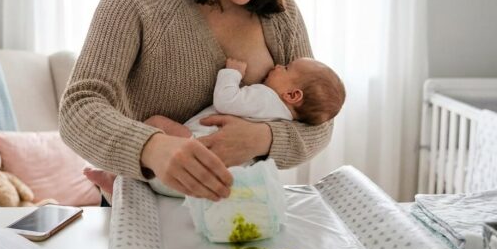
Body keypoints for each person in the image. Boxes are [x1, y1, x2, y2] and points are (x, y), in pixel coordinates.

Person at [60, 0, 333, 202]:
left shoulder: (282, 14)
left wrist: (261, 138)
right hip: (146, 208)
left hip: (236, 207)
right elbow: (78, 107)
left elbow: (320, 123)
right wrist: (151, 147)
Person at [84, 56, 346, 198]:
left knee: (155, 124)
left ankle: (114, 176)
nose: (278, 65)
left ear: (293, 95)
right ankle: (116, 183)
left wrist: (232, 73)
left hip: (186, 154)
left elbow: (226, 100)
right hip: (206, 183)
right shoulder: (285, 118)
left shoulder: (266, 97)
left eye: (286, 68)